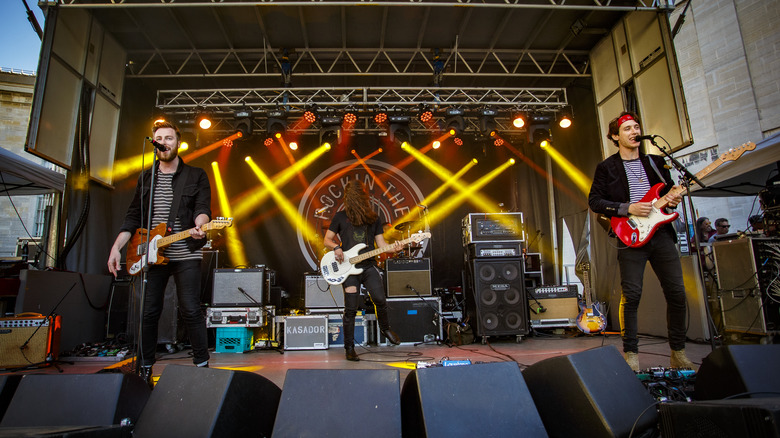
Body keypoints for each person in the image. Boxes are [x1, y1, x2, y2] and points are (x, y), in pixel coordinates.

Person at [588, 111, 695, 372]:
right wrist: (628, 208)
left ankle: (678, 352)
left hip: (661, 235)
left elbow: (668, 194)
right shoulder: (607, 167)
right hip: (631, 234)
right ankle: (632, 354)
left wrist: (674, 198)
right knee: (632, 295)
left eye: (636, 127)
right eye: (627, 129)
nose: (634, 132)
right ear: (615, 136)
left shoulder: (656, 162)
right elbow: (595, 201)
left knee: (677, 293)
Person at [108, 121, 212, 385]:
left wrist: (200, 224)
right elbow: (133, 215)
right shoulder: (146, 176)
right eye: (158, 138)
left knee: (190, 309)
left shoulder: (195, 175)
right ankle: (144, 368)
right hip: (150, 253)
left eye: (168, 138)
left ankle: (202, 365)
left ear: (178, 142)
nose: (163, 142)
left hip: (186, 250)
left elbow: (202, 207)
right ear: (153, 143)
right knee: (149, 311)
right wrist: (117, 247)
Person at [323, 180, 401, 360]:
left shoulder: (373, 218)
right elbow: (327, 239)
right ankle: (349, 348)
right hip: (348, 269)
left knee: (380, 298)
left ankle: (385, 328)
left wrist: (395, 247)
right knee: (350, 308)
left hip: (368, 265)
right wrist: (336, 248)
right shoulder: (341, 217)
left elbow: (381, 245)